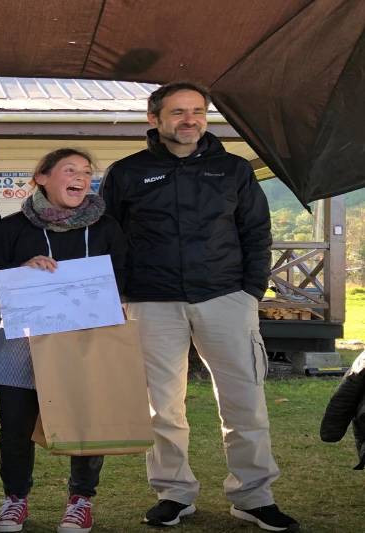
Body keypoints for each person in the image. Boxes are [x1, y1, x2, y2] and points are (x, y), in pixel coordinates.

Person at [99, 81, 299, 532]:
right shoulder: (127, 172)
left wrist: (250, 290)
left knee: (244, 400)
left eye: (197, 111)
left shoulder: (233, 170)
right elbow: (109, 237)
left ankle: (253, 495)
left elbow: (256, 232)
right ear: (154, 119)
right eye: (177, 112)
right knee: (161, 406)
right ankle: (174, 492)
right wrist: (119, 293)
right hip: (152, 301)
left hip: (225, 297)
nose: (189, 120)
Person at [0, 148, 126, 533]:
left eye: (86, 171)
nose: (81, 177)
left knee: (87, 421)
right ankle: (15, 499)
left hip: (87, 341)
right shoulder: (12, 228)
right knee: (15, 423)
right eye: (70, 170)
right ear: (42, 177)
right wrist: (23, 271)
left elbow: (122, 282)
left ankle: (81, 500)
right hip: (22, 342)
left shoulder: (106, 228)